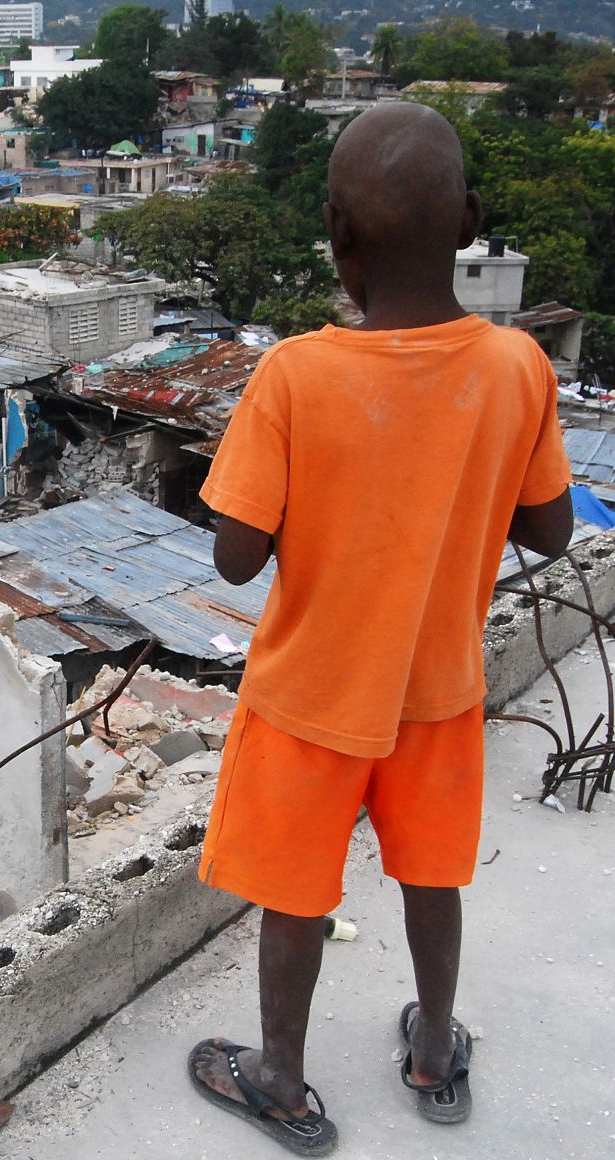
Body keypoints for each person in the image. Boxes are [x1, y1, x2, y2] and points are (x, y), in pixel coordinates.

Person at [187, 103, 572, 1155]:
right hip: (437, 689)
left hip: (311, 696)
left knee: (295, 896)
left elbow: (235, 557)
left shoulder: (293, 375)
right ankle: (434, 1050)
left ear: (336, 233)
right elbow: (550, 531)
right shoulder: (517, 366)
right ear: (470, 224)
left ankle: (280, 1077)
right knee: (432, 875)